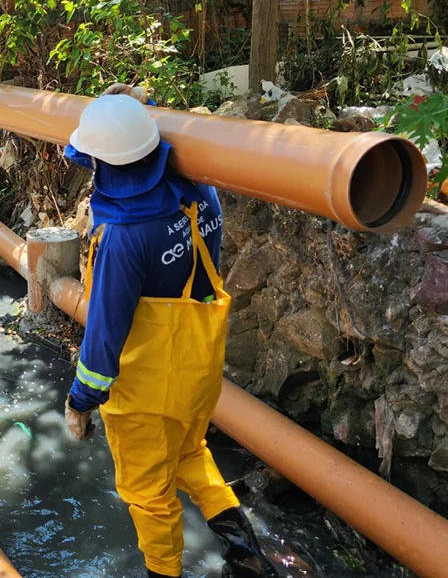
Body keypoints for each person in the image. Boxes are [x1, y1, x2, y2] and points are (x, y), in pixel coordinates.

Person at [62, 85, 278, 578]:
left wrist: (80, 401)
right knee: (189, 453)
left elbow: (105, 334)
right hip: (198, 372)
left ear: (103, 165)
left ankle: (164, 572)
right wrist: (138, 110)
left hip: (146, 390)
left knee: (147, 493)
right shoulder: (200, 193)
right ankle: (248, 555)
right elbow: (148, 153)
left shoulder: (122, 237)